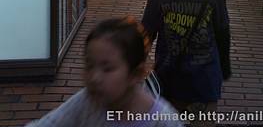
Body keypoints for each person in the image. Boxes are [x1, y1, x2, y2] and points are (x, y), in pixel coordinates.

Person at [26, 17, 182, 126]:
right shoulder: (87, 102)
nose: (94, 77)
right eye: (89, 65)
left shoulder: (164, 120)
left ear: (136, 74)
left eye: (108, 68)